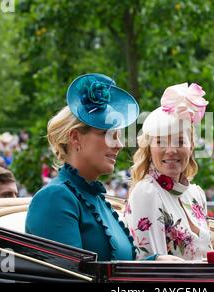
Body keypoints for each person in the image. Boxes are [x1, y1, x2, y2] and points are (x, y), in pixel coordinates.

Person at [25, 73, 182, 262]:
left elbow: (115, 269)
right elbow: (73, 277)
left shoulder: (96, 198)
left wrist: (155, 262)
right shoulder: (55, 198)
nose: (119, 145)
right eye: (108, 134)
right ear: (75, 138)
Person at [125, 82, 214, 260]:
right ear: (149, 148)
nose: (171, 150)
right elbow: (155, 267)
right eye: (160, 142)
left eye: (180, 141)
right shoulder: (147, 192)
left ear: (191, 147)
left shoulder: (196, 194)